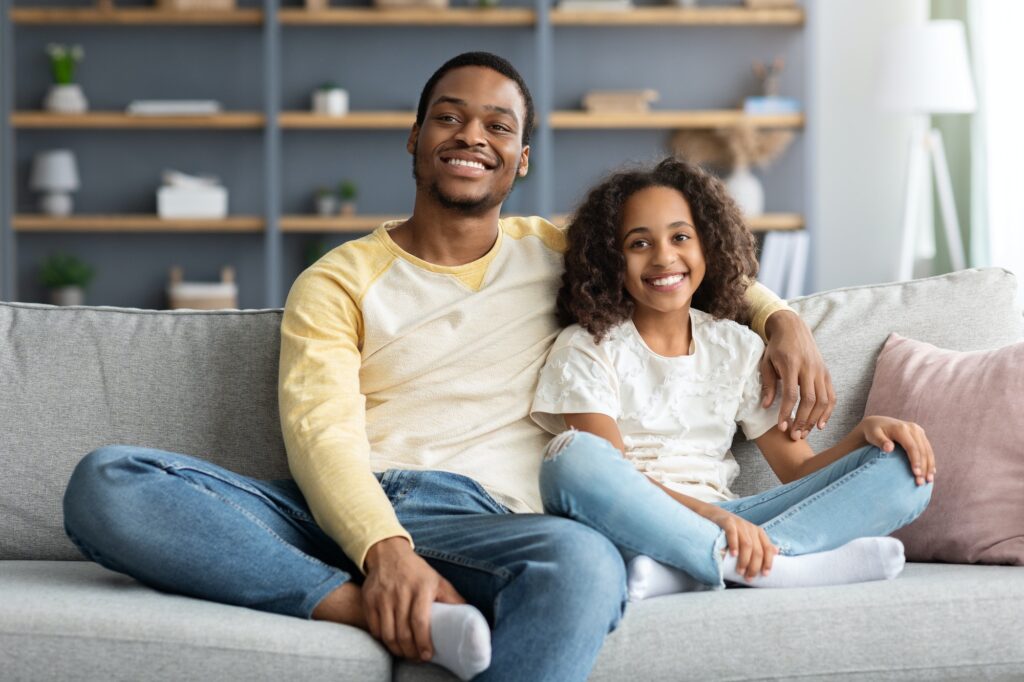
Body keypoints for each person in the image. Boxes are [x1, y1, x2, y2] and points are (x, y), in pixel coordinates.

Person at [62, 54, 834, 681]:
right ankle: (359, 605)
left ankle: (397, 597)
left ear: (522, 158)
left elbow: (674, 264)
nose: (473, 135)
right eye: (450, 117)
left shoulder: (555, 249)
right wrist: (381, 553)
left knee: (585, 562)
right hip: (348, 509)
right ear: (414, 138)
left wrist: (780, 318)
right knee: (107, 482)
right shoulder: (338, 279)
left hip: (497, 524)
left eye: (498, 125)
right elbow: (321, 434)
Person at [531, 157, 935, 601]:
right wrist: (716, 520)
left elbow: (798, 471)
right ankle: (759, 561)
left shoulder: (737, 346)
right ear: (612, 259)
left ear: (708, 246)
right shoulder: (586, 346)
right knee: (570, 459)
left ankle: (721, 563)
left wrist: (863, 435)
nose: (664, 256)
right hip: (638, 520)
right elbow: (608, 473)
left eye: (681, 237)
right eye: (639, 243)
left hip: (739, 516)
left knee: (904, 471)